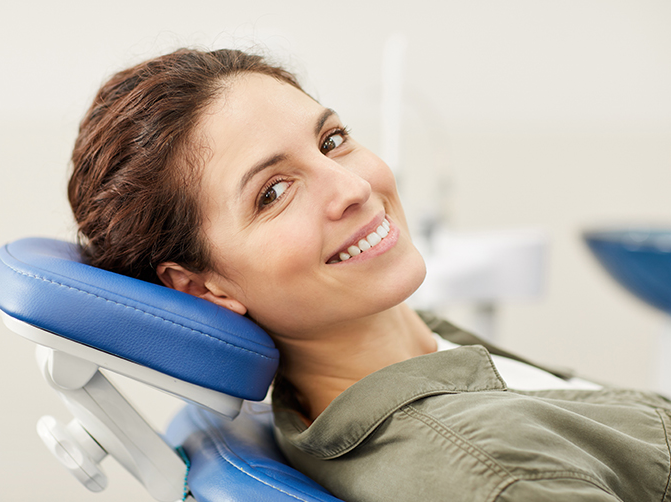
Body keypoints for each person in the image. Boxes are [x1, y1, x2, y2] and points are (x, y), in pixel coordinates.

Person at [68, 48, 671, 502]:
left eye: (331, 141)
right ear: (203, 287)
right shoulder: (496, 474)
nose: (355, 187)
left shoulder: (411, 350)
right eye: (274, 192)